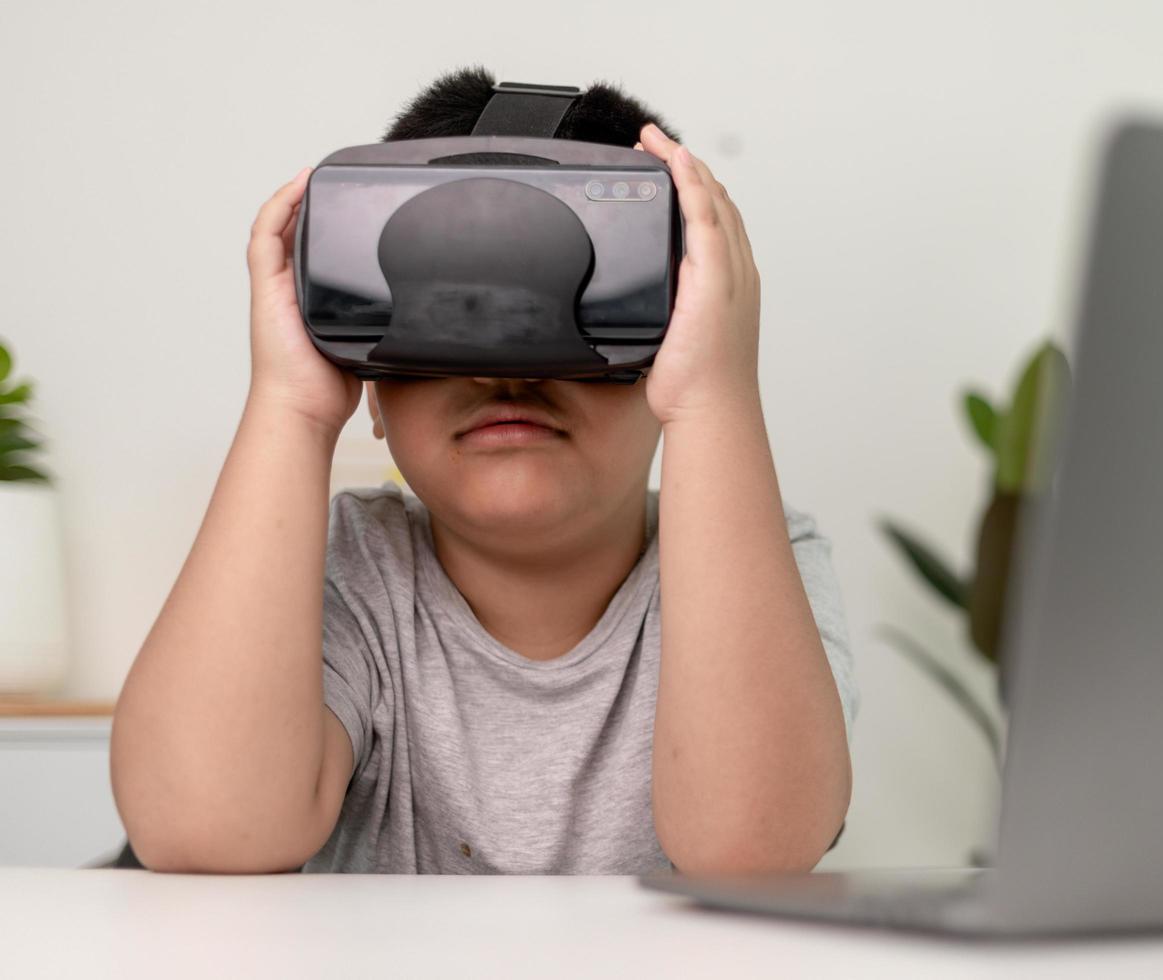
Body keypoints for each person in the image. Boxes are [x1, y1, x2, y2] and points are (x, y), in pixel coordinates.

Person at [110, 67, 858, 874]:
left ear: (676, 355)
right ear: (371, 391)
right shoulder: (355, 569)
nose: (508, 372)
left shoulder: (760, 559)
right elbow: (204, 833)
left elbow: (751, 852)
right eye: (449, 317)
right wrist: (290, 406)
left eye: (573, 314)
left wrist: (717, 401)